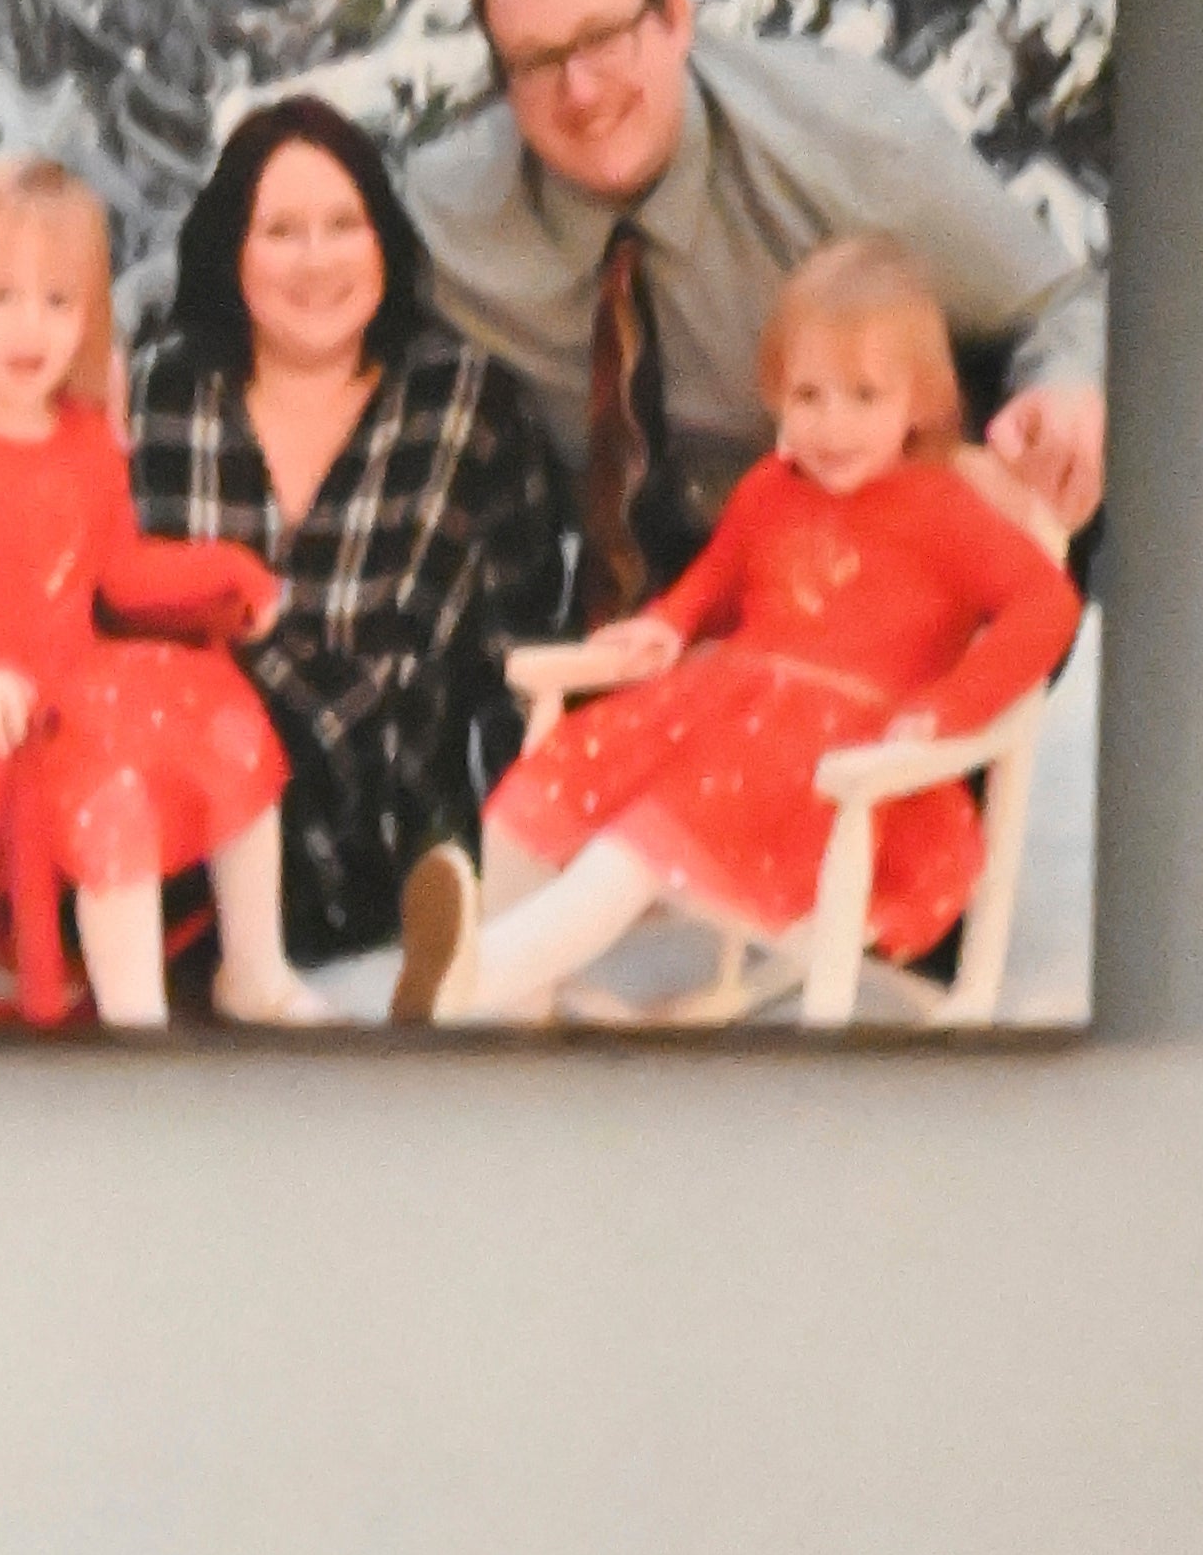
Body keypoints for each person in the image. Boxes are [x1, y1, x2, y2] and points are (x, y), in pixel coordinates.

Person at [394, 232, 1081, 1028]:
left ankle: (473, 977)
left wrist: (952, 705)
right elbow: (718, 580)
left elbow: (1046, 607)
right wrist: (666, 625)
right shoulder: (770, 489)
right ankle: (501, 983)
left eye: (865, 397)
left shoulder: (948, 510)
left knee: (642, 841)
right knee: (538, 790)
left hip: (830, 767)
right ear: (775, 392)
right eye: (809, 396)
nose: (832, 426)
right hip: (721, 717)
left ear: (919, 401)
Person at [410, 0, 1107, 618]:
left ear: (676, 18)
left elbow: (1059, 301)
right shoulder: (450, 219)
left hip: (902, 557)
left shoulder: (849, 143)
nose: (579, 91)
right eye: (537, 61)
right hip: (672, 593)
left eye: (602, 39)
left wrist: (1063, 388)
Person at [0, 155, 314, 1031]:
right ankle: (135, 1024)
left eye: (58, 302)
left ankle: (256, 971)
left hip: (71, 687)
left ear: (89, 317)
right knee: (116, 797)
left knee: (230, 720)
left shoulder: (82, 438)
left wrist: (223, 567)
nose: (31, 328)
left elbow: (120, 573)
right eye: (2, 298)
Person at [122, 97, 569, 969]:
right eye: (280, 230)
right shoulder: (160, 397)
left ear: (383, 241)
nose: (316, 261)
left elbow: (522, 649)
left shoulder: (464, 405)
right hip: (177, 864)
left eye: (343, 224)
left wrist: (541, 858)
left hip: (396, 865)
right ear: (231, 252)